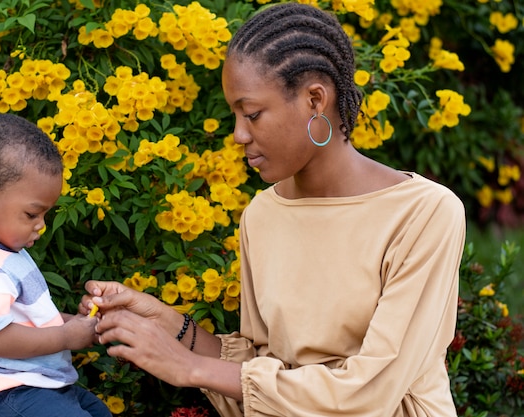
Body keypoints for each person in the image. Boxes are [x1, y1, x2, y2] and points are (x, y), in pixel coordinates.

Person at [81, 3, 466, 416]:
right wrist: (164, 323)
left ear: (315, 99)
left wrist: (189, 367)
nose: (238, 135)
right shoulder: (262, 215)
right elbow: (259, 378)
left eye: (252, 114)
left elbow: (369, 393)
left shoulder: (424, 213)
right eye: (235, 115)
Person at [0, 113, 111, 417]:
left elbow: (29, 320)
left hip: (33, 388)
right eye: (32, 214)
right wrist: (67, 337)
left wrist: (78, 324)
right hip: (1, 395)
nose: (41, 226)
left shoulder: (2, 251)